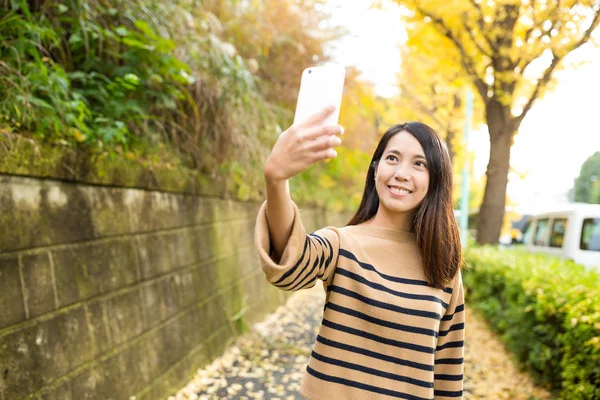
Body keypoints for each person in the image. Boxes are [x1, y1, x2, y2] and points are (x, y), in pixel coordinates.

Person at [254, 106, 465, 399]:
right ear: (375, 168)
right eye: (392, 158)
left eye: (420, 164)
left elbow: (448, 372)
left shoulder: (444, 266)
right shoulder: (342, 244)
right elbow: (289, 268)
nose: (401, 173)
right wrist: (276, 180)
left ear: (436, 180)